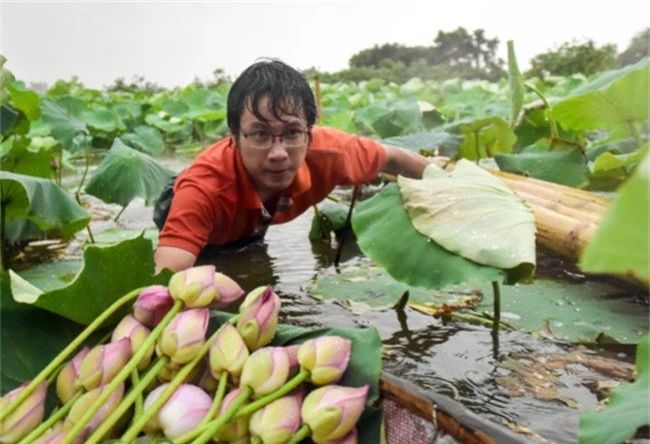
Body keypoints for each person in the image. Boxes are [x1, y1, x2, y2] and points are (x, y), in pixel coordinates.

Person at [154, 58, 438, 273]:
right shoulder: (203, 189)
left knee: (248, 255)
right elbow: (164, 282)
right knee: (207, 264)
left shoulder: (330, 152)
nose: (278, 153)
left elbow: (394, 157)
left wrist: (448, 182)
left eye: (291, 133)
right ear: (234, 134)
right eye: (260, 134)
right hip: (197, 208)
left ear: (309, 131)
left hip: (253, 218)